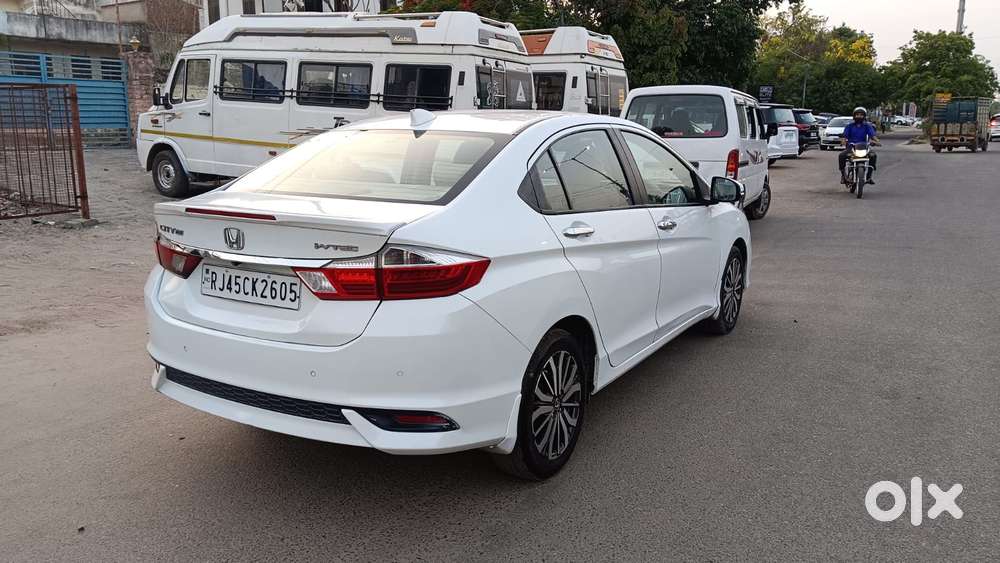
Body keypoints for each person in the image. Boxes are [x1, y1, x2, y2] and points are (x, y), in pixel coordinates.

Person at [839, 107, 880, 184]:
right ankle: (843, 176)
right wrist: (843, 141)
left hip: (864, 147)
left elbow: (872, 135)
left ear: (864, 116)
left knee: (873, 156)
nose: (859, 116)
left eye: (861, 115)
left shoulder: (867, 126)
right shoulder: (849, 126)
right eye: (857, 115)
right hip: (851, 148)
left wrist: (877, 141)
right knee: (841, 156)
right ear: (854, 116)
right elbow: (844, 136)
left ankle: (869, 177)